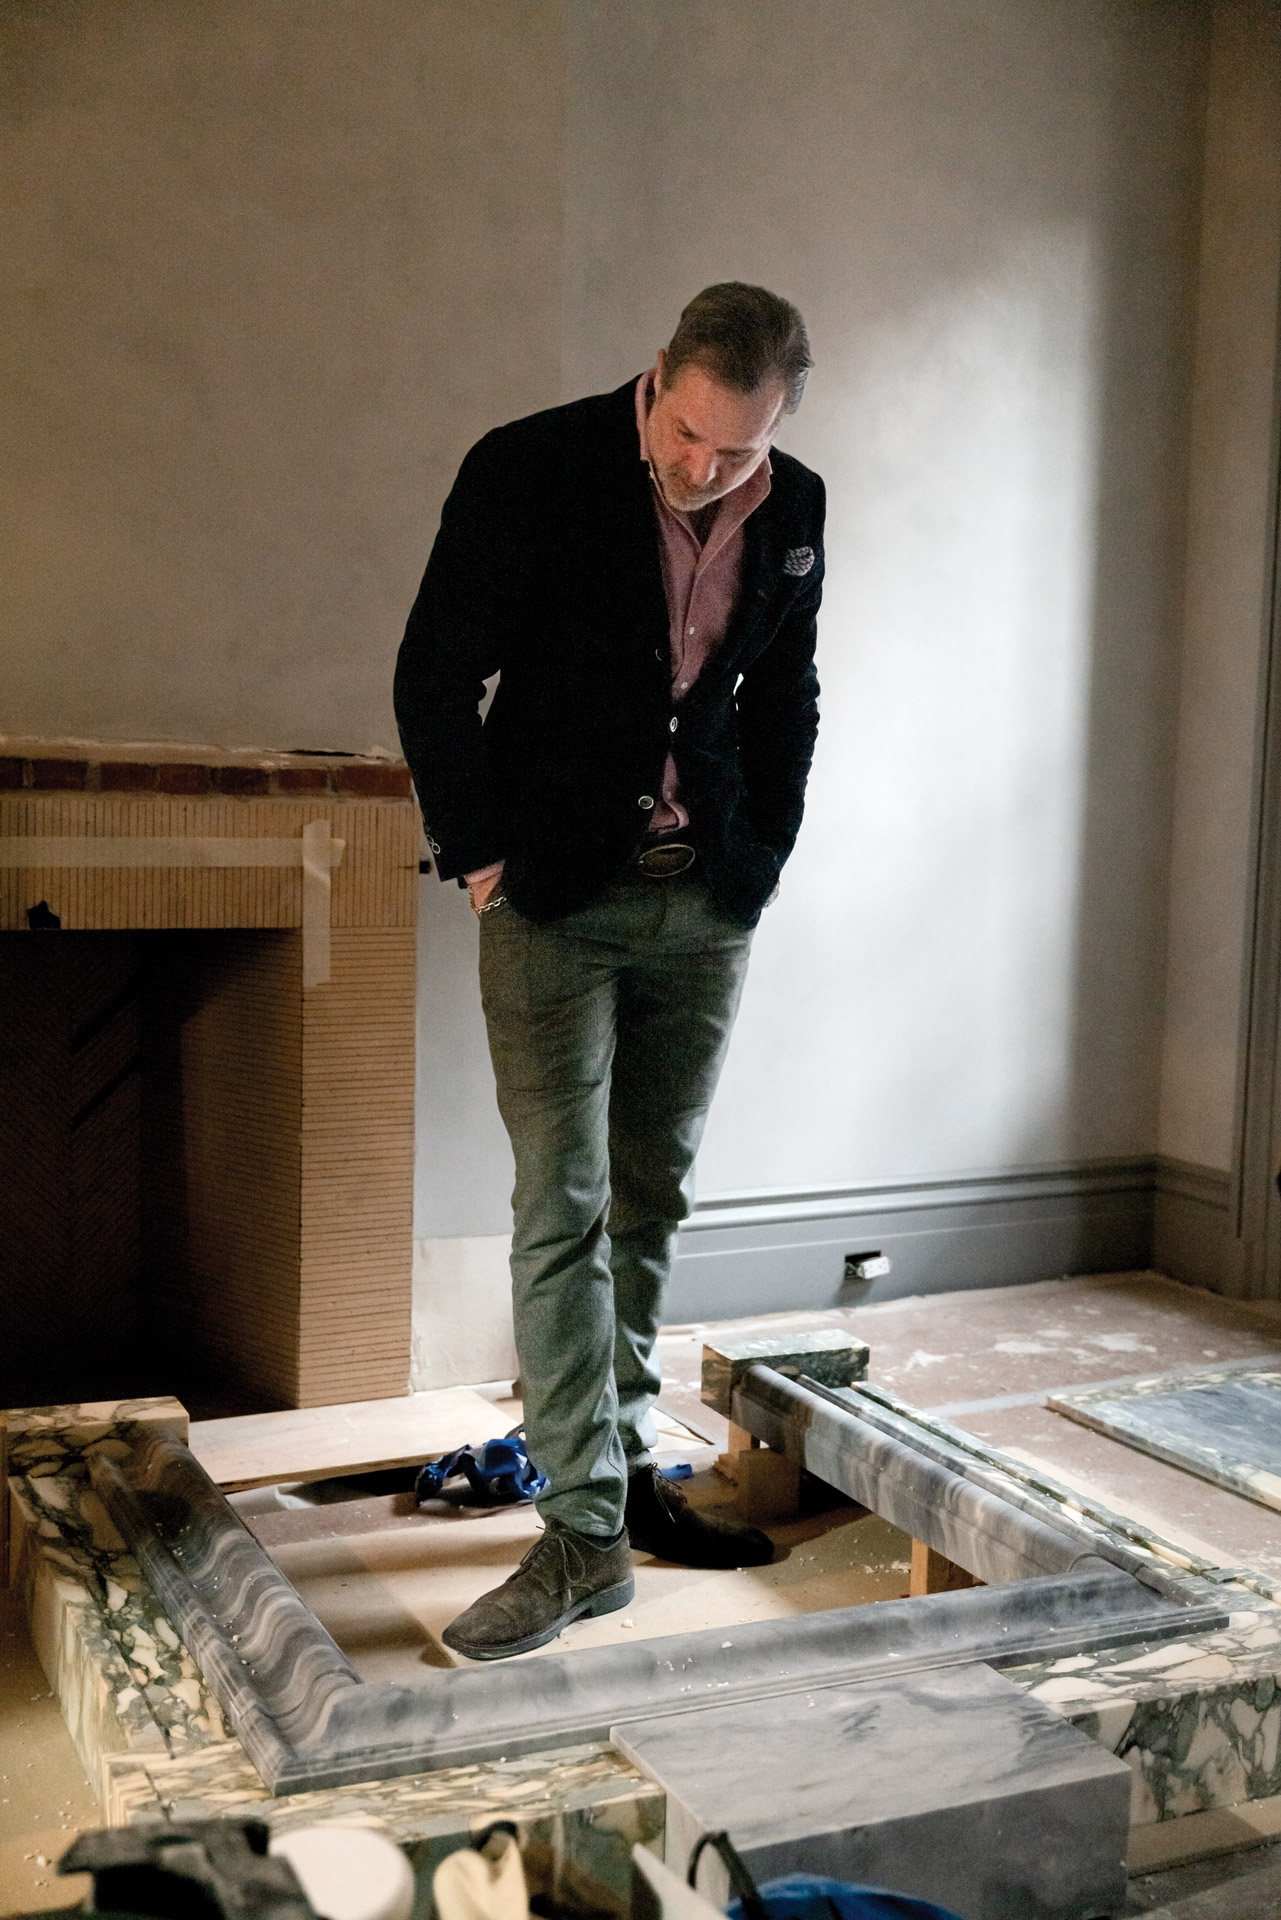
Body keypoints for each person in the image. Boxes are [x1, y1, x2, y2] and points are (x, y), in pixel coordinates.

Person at [394, 281, 825, 1661]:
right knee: (563, 1208)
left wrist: (758, 860)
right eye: (690, 438)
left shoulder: (798, 503)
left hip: (703, 906)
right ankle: (580, 1537)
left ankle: (621, 1482)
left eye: (738, 452)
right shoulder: (528, 465)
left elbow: (787, 691)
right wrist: (480, 854)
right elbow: (431, 673)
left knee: (651, 1197)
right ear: (658, 381)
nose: (707, 472)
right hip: (553, 903)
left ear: (778, 428)